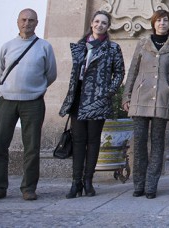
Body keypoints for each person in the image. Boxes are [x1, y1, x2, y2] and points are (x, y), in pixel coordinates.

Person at [0, 8, 57, 202]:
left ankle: (29, 188)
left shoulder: (44, 47)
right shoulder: (7, 46)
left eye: (31, 20)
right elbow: (0, 72)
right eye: (24, 19)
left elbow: (51, 74)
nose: (27, 23)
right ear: (17, 22)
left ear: (37, 23)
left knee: (31, 148)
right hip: (7, 101)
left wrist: (35, 88)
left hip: (32, 102)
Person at [59, 10, 125, 198]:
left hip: (98, 100)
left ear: (108, 26)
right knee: (78, 141)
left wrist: (107, 92)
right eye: (97, 21)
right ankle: (75, 182)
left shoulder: (112, 48)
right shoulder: (80, 46)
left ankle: (88, 181)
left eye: (104, 23)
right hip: (78, 99)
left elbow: (119, 72)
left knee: (93, 140)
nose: (99, 25)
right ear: (91, 24)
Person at [122, 10, 169, 199]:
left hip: (162, 98)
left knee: (157, 143)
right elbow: (132, 71)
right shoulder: (143, 43)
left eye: (166, 21)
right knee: (139, 142)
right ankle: (138, 183)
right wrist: (126, 95)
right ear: (153, 23)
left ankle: (152, 185)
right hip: (140, 97)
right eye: (159, 20)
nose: (162, 23)